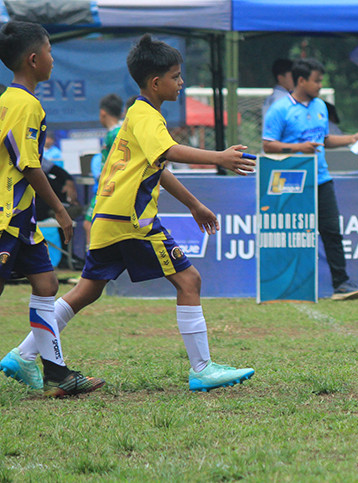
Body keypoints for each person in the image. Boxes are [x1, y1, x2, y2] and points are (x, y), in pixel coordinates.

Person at [6, 34, 257, 392]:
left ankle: (23, 353)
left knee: (86, 291)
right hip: (132, 221)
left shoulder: (137, 116)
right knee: (189, 281)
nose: (181, 82)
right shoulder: (146, 116)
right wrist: (219, 157)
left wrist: (193, 204)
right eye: (176, 76)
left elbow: (157, 166)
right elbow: (168, 152)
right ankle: (202, 369)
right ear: (155, 83)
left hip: (108, 218)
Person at [0, 21, 104, 397]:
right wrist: (60, 210)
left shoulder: (10, 100)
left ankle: (57, 376)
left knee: (46, 284)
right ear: (33, 59)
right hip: (7, 216)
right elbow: (28, 165)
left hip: (22, 219)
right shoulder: (25, 104)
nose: (53, 59)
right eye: (49, 51)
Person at [262, 58, 358, 299]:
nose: (320, 86)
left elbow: (324, 139)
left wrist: (351, 139)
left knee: (331, 231)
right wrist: (298, 148)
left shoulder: (320, 106)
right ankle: (287, 285)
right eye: (317, 81)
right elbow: (268, 145)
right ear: (301, 80)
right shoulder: (280, 109)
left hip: (321, 178)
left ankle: (342, 284)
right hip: (292, 180)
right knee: (293, 233)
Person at [83, 93, 125, 248]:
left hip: (109, 189)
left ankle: (93, 259)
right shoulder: (117, 132)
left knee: (89, 224)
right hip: (109, 188)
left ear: (102, 113)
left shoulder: (115, 134)